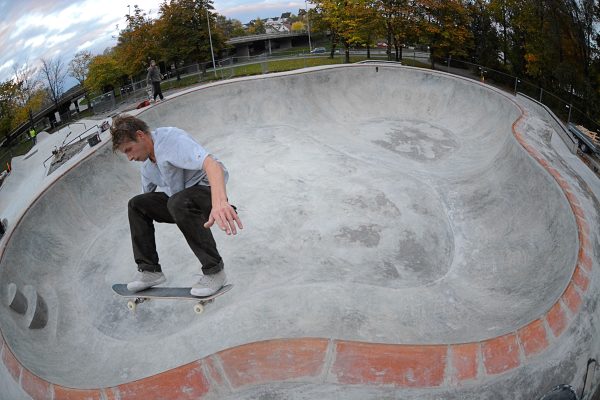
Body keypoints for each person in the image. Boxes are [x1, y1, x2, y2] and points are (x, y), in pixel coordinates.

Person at [110, 115, 243, 296]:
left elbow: (212, 165)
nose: (130, 157)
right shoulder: (147, 167)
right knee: (136, 205)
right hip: (180, 202)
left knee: (177, 201)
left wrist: (220, 202)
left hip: (207, 193)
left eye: (129, 150)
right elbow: (147, 202)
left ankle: (215, 272)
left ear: (141, 136)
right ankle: (150, 271)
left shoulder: (172, 140)